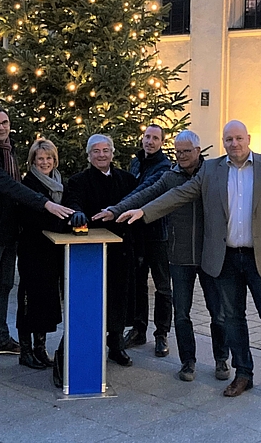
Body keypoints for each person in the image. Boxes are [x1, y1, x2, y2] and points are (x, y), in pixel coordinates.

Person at [118, 121, 261, 408]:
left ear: (248, 139)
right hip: (225, 258)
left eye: (239, 138)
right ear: (223, 142)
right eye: (228, 139)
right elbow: (179, 194)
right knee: (233, 319)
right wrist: (143, 211)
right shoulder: (211, 170)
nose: (234, 144)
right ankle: (243, 373)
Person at [98, 130, 229, 382]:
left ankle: (221, 359)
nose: (180, 156)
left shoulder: (212, 173)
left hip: (209, 253)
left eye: (186, 152)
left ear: (198, 151)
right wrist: (116, 210)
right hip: (179, 255)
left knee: (218, 312)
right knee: (182, 313)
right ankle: (188, 362)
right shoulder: (171, 177)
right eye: (177, 152)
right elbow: (145, 194)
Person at [0, 107, 73, 372]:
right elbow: (9, 185)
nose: (1, 127)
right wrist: (45, 204)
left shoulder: (6, 150)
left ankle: (0, 338)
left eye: (5, 122)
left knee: (3, 287)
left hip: (10, 230)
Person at [64, 134, 137, 366]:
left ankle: (116, 344)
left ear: (112, 153)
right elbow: (72, 202)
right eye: (96, 151)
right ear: (88, 155)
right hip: (90, 250)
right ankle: (91, 344)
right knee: (93, 297)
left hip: (121, 249)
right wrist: (77, 213)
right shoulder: (78, 181)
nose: (101, 155)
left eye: (106, 150)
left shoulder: (126, 180)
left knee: (118, 297)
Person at [122, 124, 172, 358]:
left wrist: (118, 206)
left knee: (162, 286)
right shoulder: (136, 162)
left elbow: (145, 190)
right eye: (146, 137)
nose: (149, 141)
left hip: (158, 234)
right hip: (137, 233)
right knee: (138, 282)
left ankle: (161, 334)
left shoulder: (164, 167)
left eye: (154, 138)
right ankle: (138, 328)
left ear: (162, 141)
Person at [17, 138, 67, 369]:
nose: (45, 162)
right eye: (40, 159)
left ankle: (40, 347)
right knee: (29, 300)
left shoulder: (58, 182)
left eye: (49, 158)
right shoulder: (29, 184)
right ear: (33, 161)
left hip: (52, 250)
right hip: (33, 249)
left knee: (46, 301)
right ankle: (25, 350)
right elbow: (33, 217)